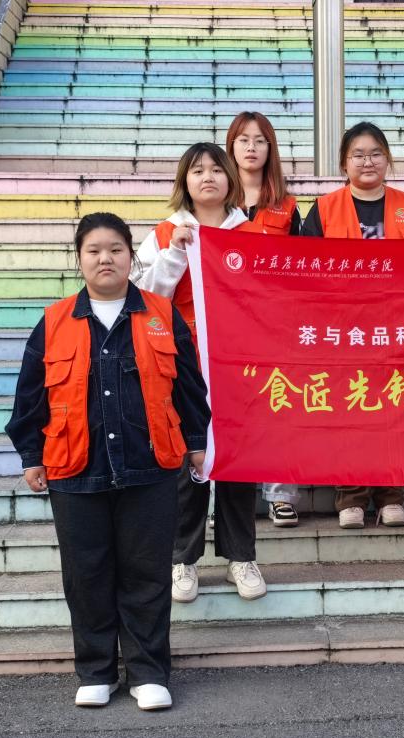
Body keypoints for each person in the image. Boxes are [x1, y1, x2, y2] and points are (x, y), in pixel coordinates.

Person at [6, 212, 209, 711]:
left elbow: (189, 387)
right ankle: (96, 670)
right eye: (94, 250)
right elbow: (29, 395)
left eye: (116, 249)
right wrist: (32, 455)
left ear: (131, 257)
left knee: (147, 573)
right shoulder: (55, 321)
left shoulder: (161, 314)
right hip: (75, 468)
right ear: (79, 259)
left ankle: (148, 673)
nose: (105, 259)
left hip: (151, 465)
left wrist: (197, 441)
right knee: (86, 574)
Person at [134, 142, 266, 604]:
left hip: (237, 366)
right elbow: (144, 296)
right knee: (186, 459)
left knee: (238, 461)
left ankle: (241, 557)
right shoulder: (164, 232)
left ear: (231, 177)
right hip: (182, 366)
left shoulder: (250, 232)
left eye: (215, 169)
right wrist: (175, 252)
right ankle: (181, 559)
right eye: (197, 170)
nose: (207, 177)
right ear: (184, 181)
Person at [301, 121, 404, 528]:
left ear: (388, 159)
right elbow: (305, 271)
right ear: (344, 163)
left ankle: (391, 495)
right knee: (351, 411)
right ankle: (351, 497)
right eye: (358, 155)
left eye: (376, 153)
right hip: (344, 331)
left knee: (394, 410)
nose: (367, 161)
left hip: (397, 330)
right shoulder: (324, 209)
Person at [225, 110, 303, 528]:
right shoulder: (214, 202)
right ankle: (226, 499)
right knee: (228, 409)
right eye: (243, 140)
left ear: (270, 149)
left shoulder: (287, 206)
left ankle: (280, 495)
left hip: (275, 322)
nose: (251, 147)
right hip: (225, 319)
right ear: (231, 147)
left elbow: (304, 264)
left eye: (260, 140)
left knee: (278, 403)